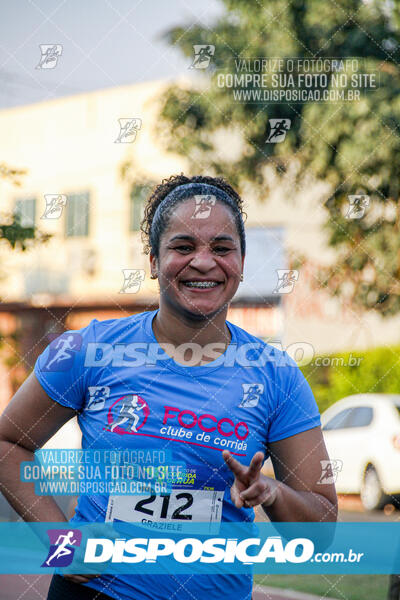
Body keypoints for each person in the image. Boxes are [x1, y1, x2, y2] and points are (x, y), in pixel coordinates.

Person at [0, 174, 338, 600]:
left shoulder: (277, 376)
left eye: (221, 248)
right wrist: (63, 544)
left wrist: (272, 492)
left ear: (241, 261)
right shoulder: (92, 350)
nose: (203, 262)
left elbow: (322, 527)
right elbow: (7, 442)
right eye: (182, 247)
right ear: (154, 261)